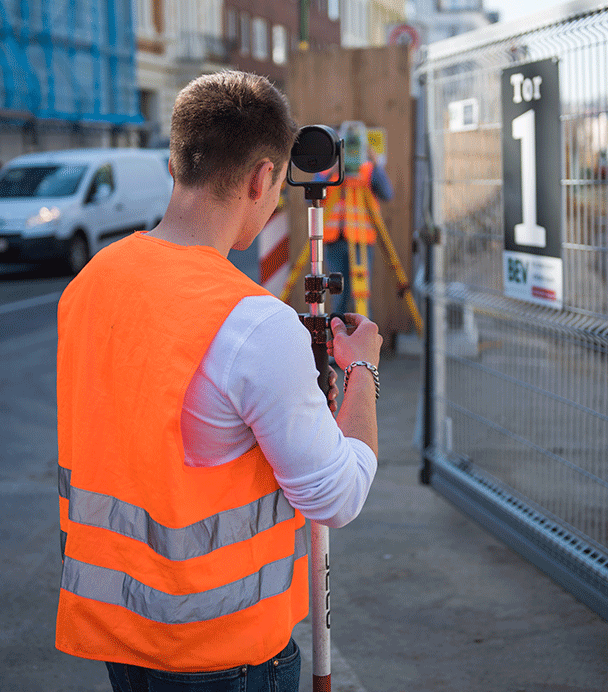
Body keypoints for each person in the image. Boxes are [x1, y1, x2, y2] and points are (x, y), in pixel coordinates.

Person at [55, 70, 383, 692]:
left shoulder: (93, 281)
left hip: (121, 635)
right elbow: (336, 497)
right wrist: (360, 370)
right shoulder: (252, 325)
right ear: (263, 178)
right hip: (224, 653)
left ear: (176, 163)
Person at [320, 145, 394, 315]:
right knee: (338, 295)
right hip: (334, 242)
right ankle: (337, 334)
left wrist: (376, 164)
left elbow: (387, 194)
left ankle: (363, 335)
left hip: (361, 241)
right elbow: (310, 195)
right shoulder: (329, 172)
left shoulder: (368, 171)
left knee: (361, 296)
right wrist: (333, 168)